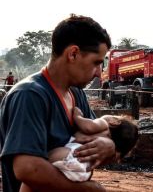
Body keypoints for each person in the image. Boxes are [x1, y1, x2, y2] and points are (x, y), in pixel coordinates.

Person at [0, 14, 115, 192]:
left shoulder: (77, 94)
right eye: (96, 63)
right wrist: (89, 189)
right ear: (73, 53)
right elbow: (28, 168)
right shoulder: (29, 95)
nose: (99, 73)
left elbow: (99, 135)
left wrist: (109, 146)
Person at [20, 107, 139, 192]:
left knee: (36, 172)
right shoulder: (108, 142)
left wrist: (77, 116)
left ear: (114, 121)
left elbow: (88, 126)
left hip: (73, 155)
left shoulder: (103, 124)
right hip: (84, 170)